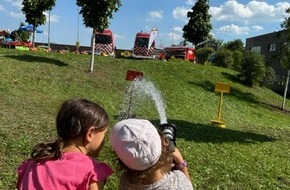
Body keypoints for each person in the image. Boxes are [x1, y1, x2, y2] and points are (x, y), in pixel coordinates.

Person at [17, 98, 113, 190]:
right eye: (104, 134)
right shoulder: (92, 171)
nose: (104, 140)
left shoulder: (33, 163)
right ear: (90, 134)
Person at [110, 118, 193, 190]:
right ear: (163, 145)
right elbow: (188, 186)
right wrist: (181, 163)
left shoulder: (125, 181)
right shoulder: (177, 183)